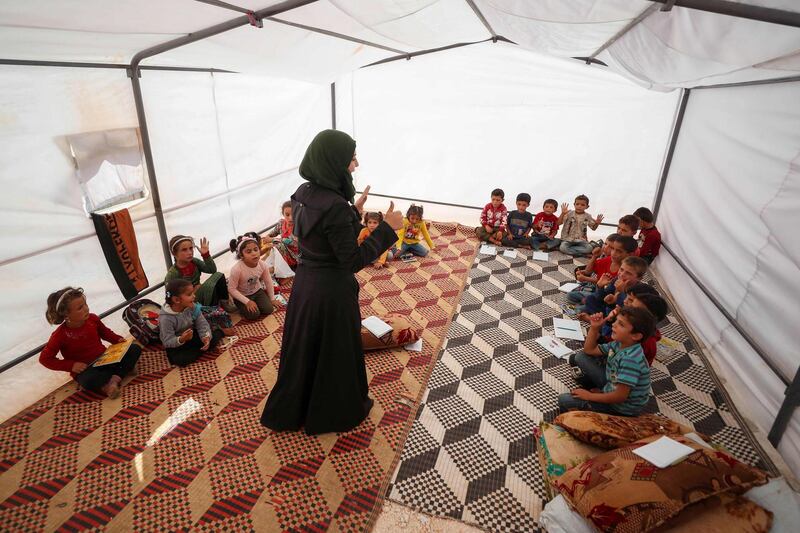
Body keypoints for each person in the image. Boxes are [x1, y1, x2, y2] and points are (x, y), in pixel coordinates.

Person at [260, 129, 402, 435]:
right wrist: (387, 230)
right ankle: (331, 412)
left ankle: (297, 407)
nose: (356, 165)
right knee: (333, 350)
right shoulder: (335, 205)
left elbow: (319, 235)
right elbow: (351, 259)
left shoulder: (304, 193)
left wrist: (355, 212)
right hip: (331, 291)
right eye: (351, 158)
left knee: (307, 347)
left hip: (306, 285)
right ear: (333, 160)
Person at [40, 287, 141, 398]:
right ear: (66, 315)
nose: (86, 309)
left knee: (134, 349)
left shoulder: (92, 319)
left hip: (105, 358)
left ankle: (113, 380)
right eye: (80, 308)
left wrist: (117, 340)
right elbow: (45, 359)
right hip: (87, 369)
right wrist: (72, 365)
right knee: (88, 380)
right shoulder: (59, 335)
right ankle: (113, 380)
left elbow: (105, 333)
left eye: (85, 304)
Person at [559, 306, 654, 416]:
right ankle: (601, 391)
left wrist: (589, 396)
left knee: (564, 401)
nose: (614, 324)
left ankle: (607, 411)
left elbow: (620, 397)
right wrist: (594, 328)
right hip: (612, 384)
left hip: (621, 407)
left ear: (636, 336)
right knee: (580, 356)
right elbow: (589, 350)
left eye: (621, 324)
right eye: (616, 321)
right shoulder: (619, 343)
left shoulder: (631, 360)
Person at [165, 234, 237, 314]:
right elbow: (170, 296)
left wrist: (205, 255)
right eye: (184, 250)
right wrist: (191, 291)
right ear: (175, 254)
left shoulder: (194, 261)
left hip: (199, 294)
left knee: (218, 275)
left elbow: (212, 270)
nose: (189, 252)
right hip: (188, 302)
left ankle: (224, 304)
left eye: (191, 248)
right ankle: (211, 312)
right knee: (209, 286)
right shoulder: (173, 273)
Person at [159, 279, 223, 367]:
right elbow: (167, 341)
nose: (194, 296)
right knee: (181, 360)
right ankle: (203, 349)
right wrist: (181, 339)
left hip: (191, 335)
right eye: (189, 294)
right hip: (177, 343)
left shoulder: (191, 306)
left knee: (211, 339)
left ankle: (212, 339)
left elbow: (202, 323)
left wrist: (205, 337)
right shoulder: (166, 319)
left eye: (193, 293)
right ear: (177, 300)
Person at [227, 233, 281, 320]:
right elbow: (231, 289)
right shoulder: (236, 269)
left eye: (256, 250)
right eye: (249, 252)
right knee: (254, 315)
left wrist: (272, 299)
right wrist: (247, 302)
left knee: (269, 309)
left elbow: (268, 281)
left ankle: (257, 302)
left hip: (257, 291)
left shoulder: (262, 264)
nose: (254, 253)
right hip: (243, 295)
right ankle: (239, 304)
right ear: (241, 255)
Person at [268, 201, 300, 269]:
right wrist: (267, 237)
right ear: (283, 214)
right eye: (287, 215)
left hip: (297, 256)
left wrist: (272, 239)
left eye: (293, 214)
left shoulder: (299, 226)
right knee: (269, 247)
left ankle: (284, 268)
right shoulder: (281, 223)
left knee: (278, 245)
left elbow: (293, 242)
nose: (290, 218)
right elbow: (272, 233)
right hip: (286, 253)